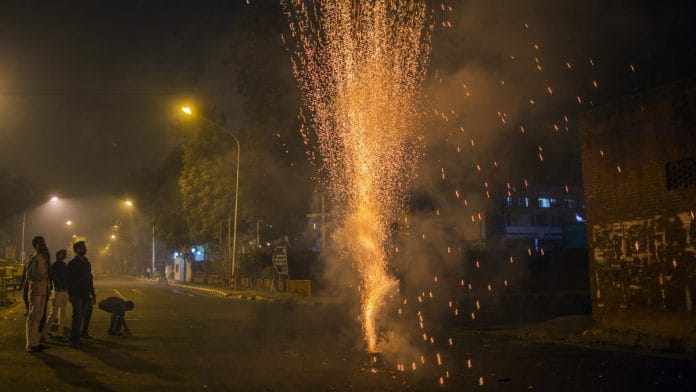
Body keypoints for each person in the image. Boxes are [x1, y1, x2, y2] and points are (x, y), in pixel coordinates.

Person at [66, 241, 96, 347]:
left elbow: (90, 279)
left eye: (84, 247)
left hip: (86, 293)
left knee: (88, 313)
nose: (84, 249)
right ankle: (74, 339)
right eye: (81, 248)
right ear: (76, 250)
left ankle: (84, 332)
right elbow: (68, 280)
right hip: (76, 294)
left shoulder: (87, 263)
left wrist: (93, 293)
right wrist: (69, 294)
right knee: (77, 317)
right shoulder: (72, 264)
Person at [24, 236, 51, 353]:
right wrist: (43, 277)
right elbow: (29, 276)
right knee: (33, 318)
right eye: (40, 243)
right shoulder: (34, 258)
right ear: (36, 245)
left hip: (43, 291)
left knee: (39, 318)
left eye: (44, 242)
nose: (43, 244)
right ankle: (30, 345)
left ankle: (36, 342)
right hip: (35, 292)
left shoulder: (43, 258)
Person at [42, 249, 70, 340]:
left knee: (62, 313)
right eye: (63, 253)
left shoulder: (63, 265)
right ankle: (44, 333)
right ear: (58, 255)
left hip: (64, 291)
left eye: (64, 254)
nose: (64, 255)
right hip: (58, 291)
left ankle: (60, 332)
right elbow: (52, 277)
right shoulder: (55, 265)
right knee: (53, 313)